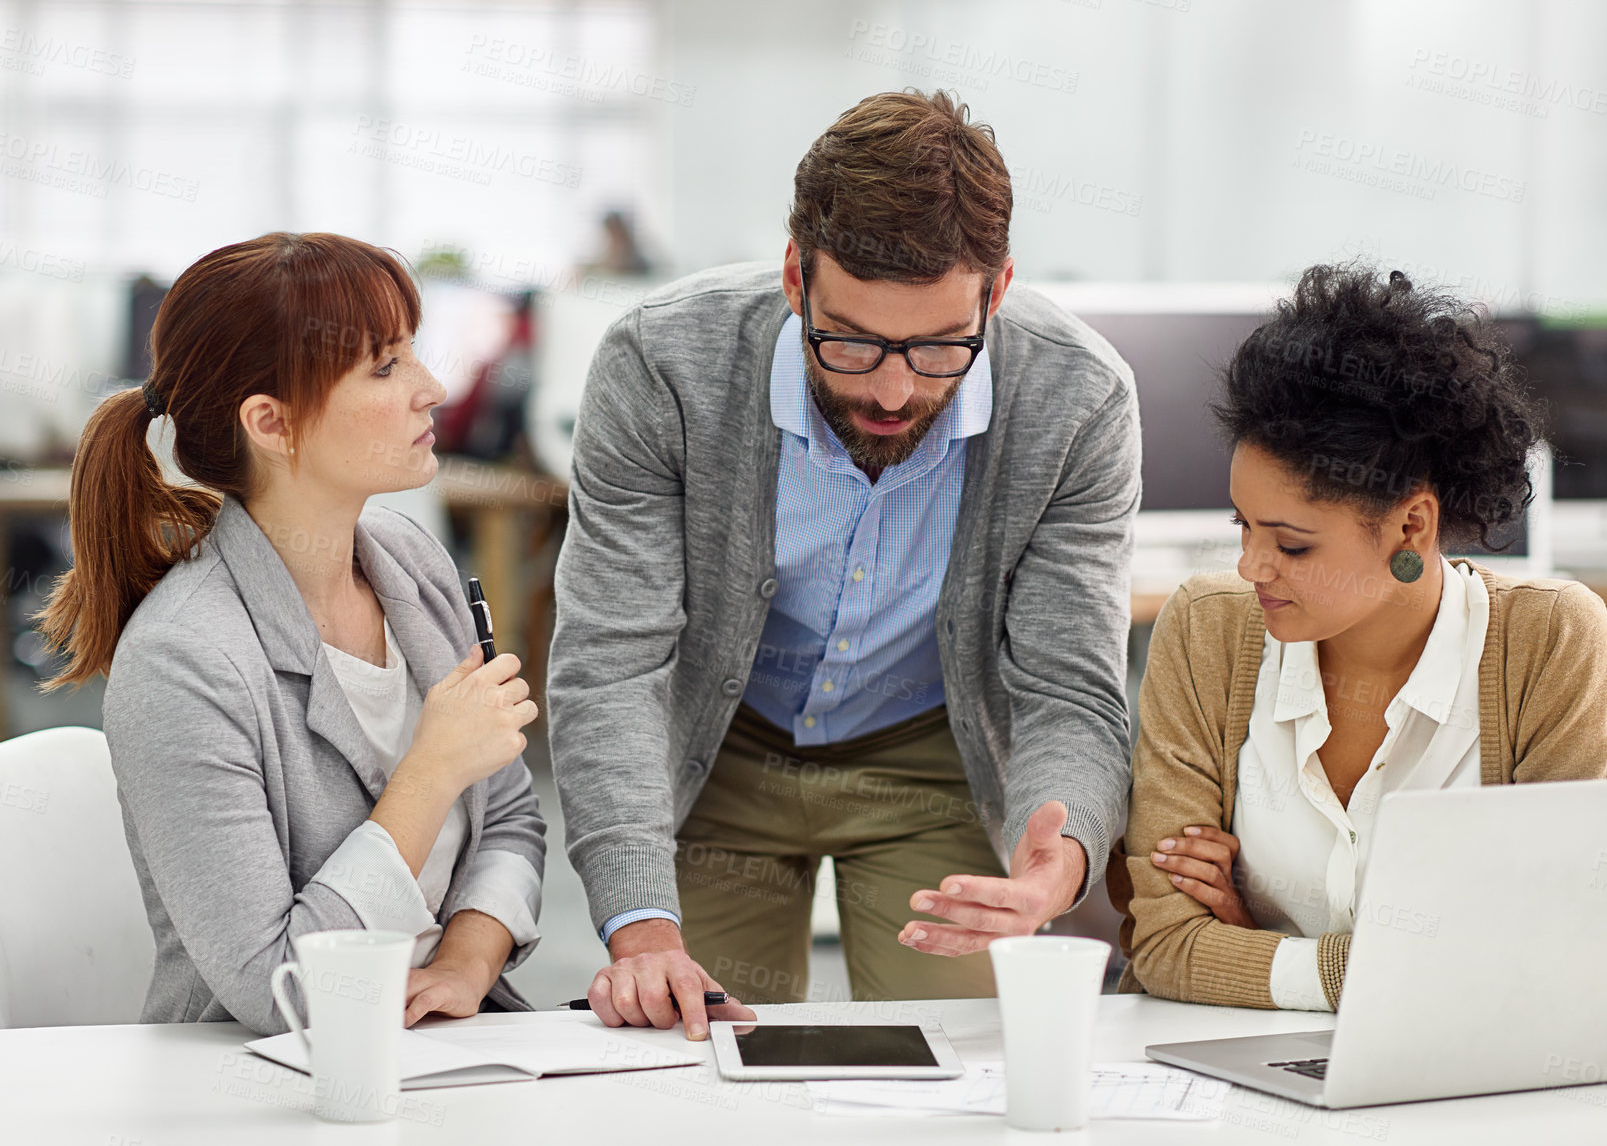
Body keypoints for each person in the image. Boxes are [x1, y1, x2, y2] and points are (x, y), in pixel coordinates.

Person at [548, 89, 1141, 1040]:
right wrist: (639, 920)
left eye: (943, 346)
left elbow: (1068, 686)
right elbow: (611, 659)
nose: (894, 389)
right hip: (715, 743)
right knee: (690, 1059)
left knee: (970, 1062)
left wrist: (1053, 864)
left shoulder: (1078, 397)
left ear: (996, 291)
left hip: (929, 758)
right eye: (852, 340)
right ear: (794, 276)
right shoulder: (663, 362)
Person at [36, 232, 546, 1036]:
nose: (434, 387)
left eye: (413, 353)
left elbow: (510, 816)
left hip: (443, 1044)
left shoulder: (413, 567)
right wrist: (428, 770)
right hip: (262, 1078)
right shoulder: (185, 658)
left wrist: (466, 961)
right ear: (271, 423)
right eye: (385, 367)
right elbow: (281, 990)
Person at [1110, 264, 1607, 1010]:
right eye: (1241, 525)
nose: (1250, 566)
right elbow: (1165, 948)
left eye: (1291, 544)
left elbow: (1556, 954)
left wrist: (1257, 946)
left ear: (1411, 524)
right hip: (1240, 1072)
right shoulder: (1207, 626)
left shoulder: (1548, 639)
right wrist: (1411, 964)